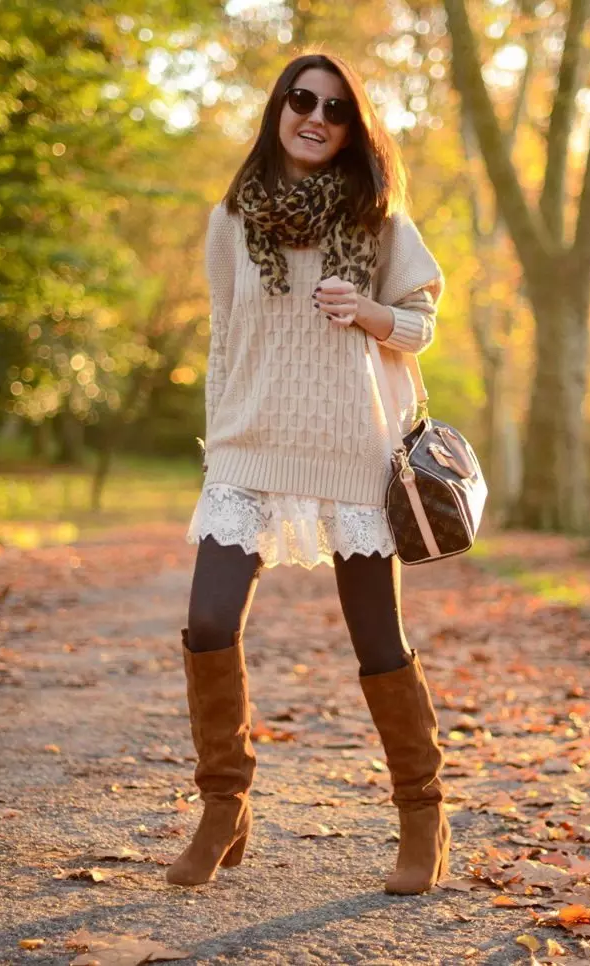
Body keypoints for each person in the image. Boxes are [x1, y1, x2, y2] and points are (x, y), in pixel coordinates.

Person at [166, 52, 449, 896]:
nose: (316, 116)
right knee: (209, 621)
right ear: (278, 110)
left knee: (377, 644)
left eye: (335, 107)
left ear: (353, 125)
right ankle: (225, 805)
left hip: (353, 455)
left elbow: (421, 324)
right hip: (249, 452)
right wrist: (222, 440)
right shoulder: (229, 220)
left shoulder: (381, 223)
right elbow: (225, 340)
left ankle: (423, 815)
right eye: (302, 99)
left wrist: (369, 314)